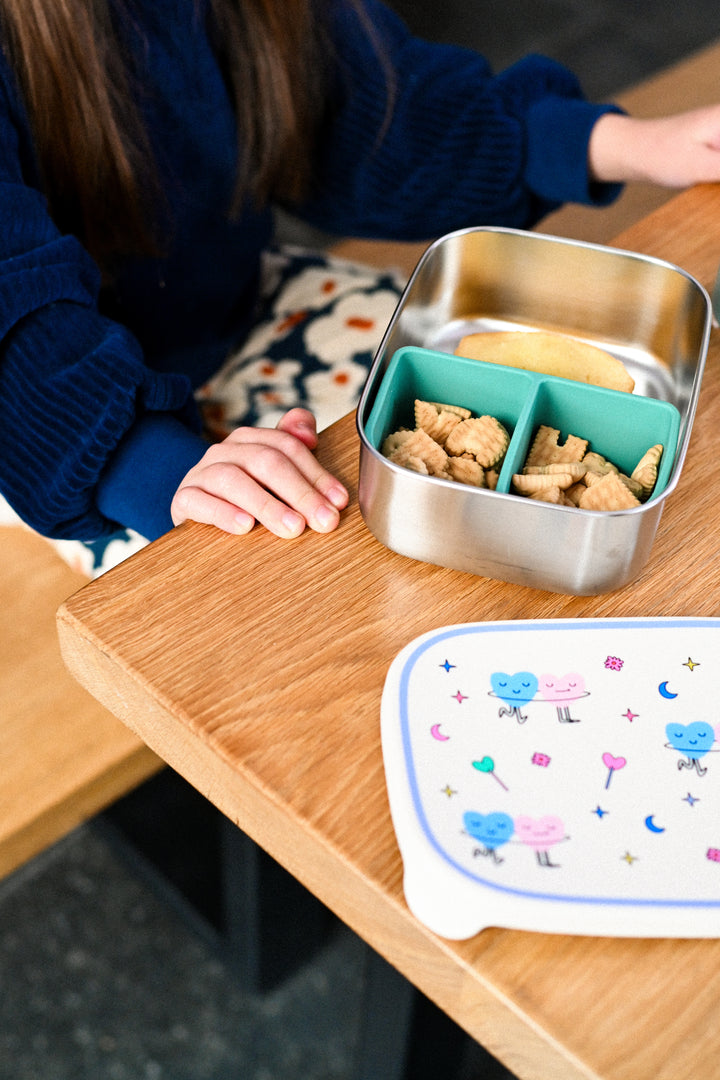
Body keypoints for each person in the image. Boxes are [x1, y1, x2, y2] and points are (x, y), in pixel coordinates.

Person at [2, 0, 720, 558]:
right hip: (64, 427)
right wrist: (151, 468)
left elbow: (373, 112)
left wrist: (625, 145)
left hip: (238, 308)